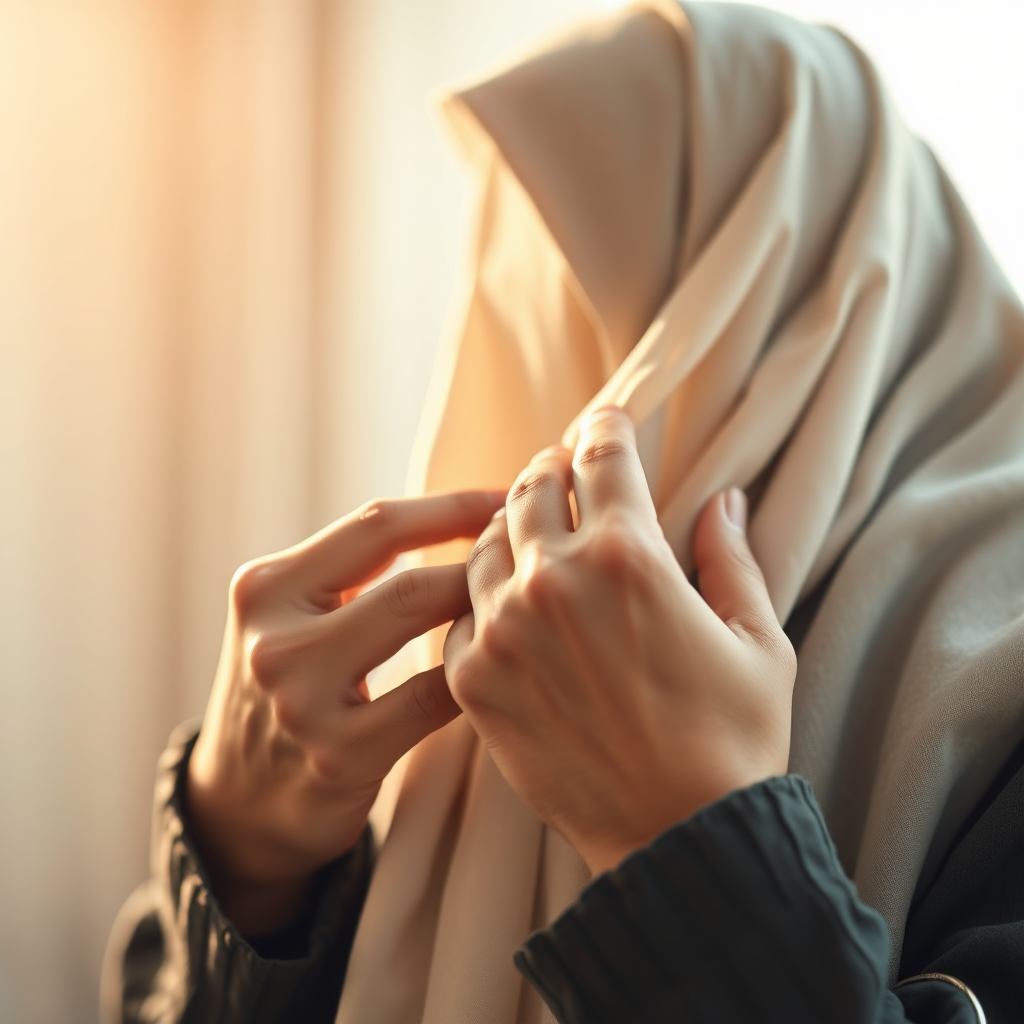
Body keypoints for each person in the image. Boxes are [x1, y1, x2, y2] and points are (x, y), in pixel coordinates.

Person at [103, 2, 1024, 1020]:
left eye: (654, 325)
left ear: (805, 302)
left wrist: (694, 842)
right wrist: (246, 868)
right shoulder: (517, 672)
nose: (588, 401)